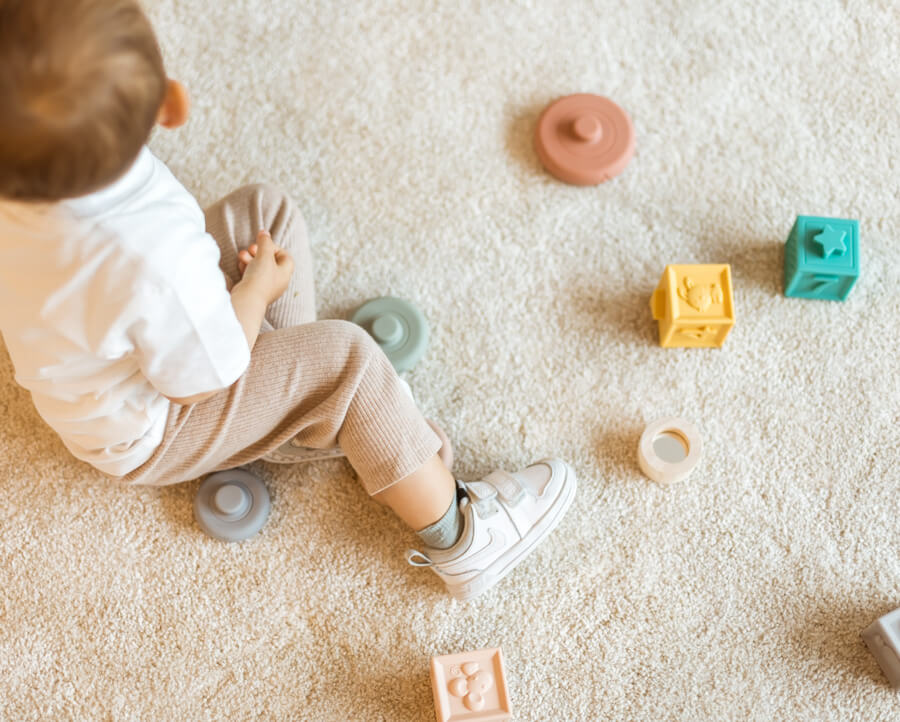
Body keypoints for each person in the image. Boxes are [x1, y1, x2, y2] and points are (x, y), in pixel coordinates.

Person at [0, 0, 576, 601]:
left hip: (114, 349)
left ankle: (304, 415)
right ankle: (461, 536)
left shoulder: (20, 177)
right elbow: (204, 376)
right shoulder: (150, 257)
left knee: (262, 212)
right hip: (152, 424)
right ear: (171, 105)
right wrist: (254, 295)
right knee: (348, 359)